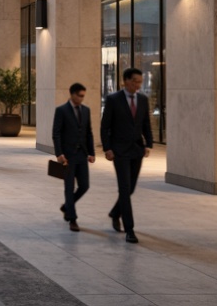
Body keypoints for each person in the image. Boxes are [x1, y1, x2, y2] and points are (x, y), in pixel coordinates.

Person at [100, 67, 154, 243]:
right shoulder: (113, 100)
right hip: (119, 151)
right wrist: (107, 148)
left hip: (137, 150)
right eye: (135, 81)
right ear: (125, 81)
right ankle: (130, 229)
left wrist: (149, 144)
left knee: (130, 188)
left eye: (140, 82)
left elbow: (146, 123)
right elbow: (105, 126)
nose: (138, 85)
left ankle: (115, 212)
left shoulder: (143, 100)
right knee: (124, 188)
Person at [52, 83, 96, 232]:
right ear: (72, 94)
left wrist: (91, 153)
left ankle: (66, 207)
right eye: (79, 95)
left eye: (83, 96)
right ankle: (72, 218)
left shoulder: (86, 111)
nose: (82, 99)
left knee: (84, 186)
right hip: (68, 156)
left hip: (82, 155)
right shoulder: (61, 111)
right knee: (69, 187)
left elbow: (88, 132)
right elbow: (56, 133)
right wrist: (59, 153)